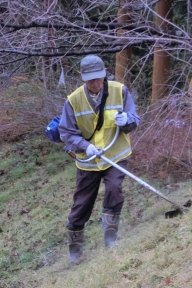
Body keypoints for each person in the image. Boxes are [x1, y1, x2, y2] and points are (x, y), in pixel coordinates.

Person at [58, 55, 140, 263]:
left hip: (115, 155)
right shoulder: (73, 100)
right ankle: (75, 249)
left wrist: (127, 120)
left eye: (99, 79)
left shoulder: (120, 91)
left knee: (114, 189)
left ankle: (110, 238)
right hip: (89, 160)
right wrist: (86, 147)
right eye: (90, 80)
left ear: (104, 73)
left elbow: (134, 119)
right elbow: (66, 133)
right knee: (82, 204)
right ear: (82, 78)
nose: (95, 84)